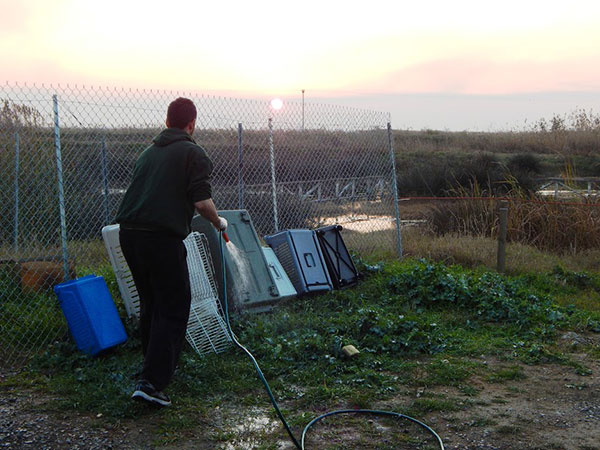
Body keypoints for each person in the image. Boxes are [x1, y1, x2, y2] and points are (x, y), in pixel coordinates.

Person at [115, 97, 227, 407]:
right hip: (161, 238)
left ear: (167, 122)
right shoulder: (193, 152)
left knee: (152, 303)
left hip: (129, 235)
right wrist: (219, 222)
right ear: (192, 124)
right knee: (175, 306)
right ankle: (152, 384)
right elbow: (203, 203)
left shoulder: (148, 153)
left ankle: (148, 373)